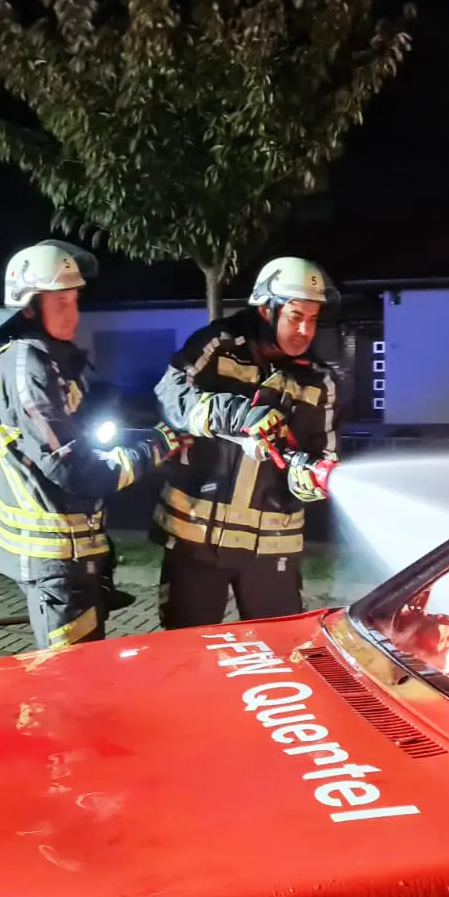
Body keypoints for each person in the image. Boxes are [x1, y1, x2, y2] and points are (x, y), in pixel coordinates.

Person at [0, 239, 187, 651]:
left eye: (75, 301)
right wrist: (155, 446)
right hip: (55, 558)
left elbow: (79, 439)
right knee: (69, 685)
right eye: (60, 303)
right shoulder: (29, 367)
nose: (73, 314)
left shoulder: (52, 361)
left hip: (74, 553)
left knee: (86, 674)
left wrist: (149, 440)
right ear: (28, 307)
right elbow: (74, 468)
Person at [150, 256, 344, 628]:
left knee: (277, 653)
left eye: (313, 319)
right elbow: (169, 396)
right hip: (196, 540)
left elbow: (323, 457)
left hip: (272, 551)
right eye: (295, 316)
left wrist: (310, 477)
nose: (305, 330)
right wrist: (237, 415)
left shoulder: (321, 383)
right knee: (183, 653)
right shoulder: (218, 346)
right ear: (266, 310)